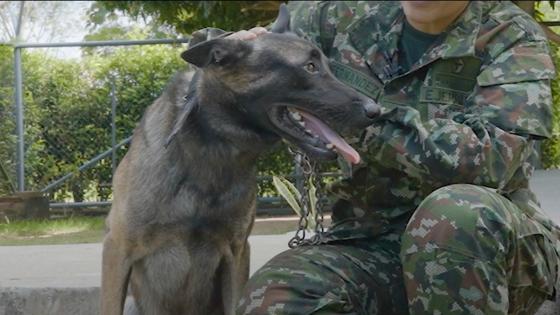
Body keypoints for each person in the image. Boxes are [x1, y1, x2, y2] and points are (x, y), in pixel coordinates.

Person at [195, 1, 559, 314]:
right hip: (369, 244)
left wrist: (355, 118)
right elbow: (227, 51)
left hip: (489, 248)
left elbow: (491, 161)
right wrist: (229, 41)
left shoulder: (511, 36)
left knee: (454, 212)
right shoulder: (342, 16)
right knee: (276, 297)